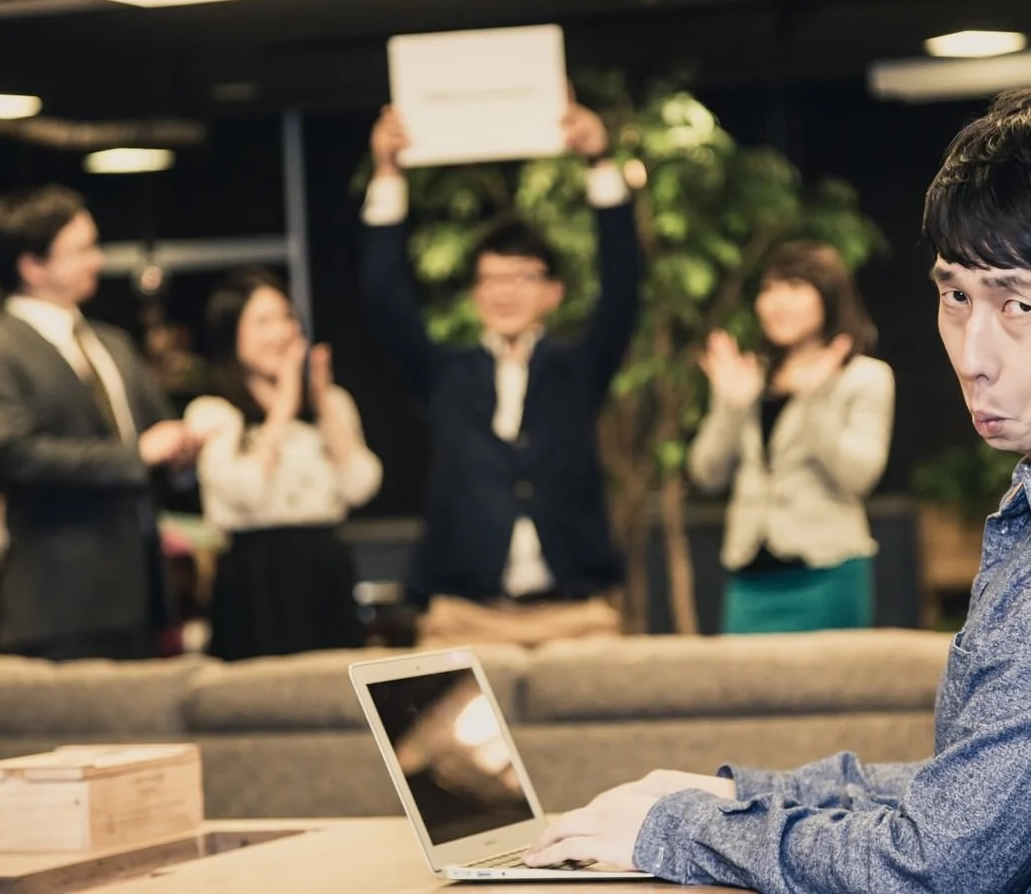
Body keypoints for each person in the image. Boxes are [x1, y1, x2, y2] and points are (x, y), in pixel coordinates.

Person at [523, 86, 1031, 892]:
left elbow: (931, 867)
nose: (972, 355)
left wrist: (679, 830)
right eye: (956, 295)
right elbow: (964, 804)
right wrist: (737, 797)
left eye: (1019, 304)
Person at [361, 101, 640, 648]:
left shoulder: (578, 370)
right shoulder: (443, 374)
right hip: (465, 616)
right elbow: (385, 298)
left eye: (523, 277)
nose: (505, 292)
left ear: (553, 292)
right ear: (474, 294)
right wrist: (388, 174)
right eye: (491, 280)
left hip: (574, 615)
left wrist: (600, 163)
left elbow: (623, 287)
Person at [0, 184, 196, 660]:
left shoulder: (112, 342)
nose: (98, 261)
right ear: (33, 265)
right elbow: (14, 453)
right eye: (82, 249)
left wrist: (182, 451)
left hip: (142, 593)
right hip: (60, 602)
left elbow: (156, 435)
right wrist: (137, 455)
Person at [688, 241, 893, 633]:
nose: (776, 302)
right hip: (749, 578)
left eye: (795, 287)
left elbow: (860, 476)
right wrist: (730, 407)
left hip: (828, 573)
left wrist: (814, 403)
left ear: (828, 296)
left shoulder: (865, 377)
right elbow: (706, 474)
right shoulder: (748, 374)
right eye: (769, 289)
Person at [184, 270, 382, 658]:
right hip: (255, 577)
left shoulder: (332, 403)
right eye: (262, 322)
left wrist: (322, 404)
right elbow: (245, 492)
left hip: (324, 568)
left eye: (286, 317)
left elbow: (361, 485)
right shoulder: (214, 412)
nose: (279, 333)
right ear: (232, 332)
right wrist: (282, 410)